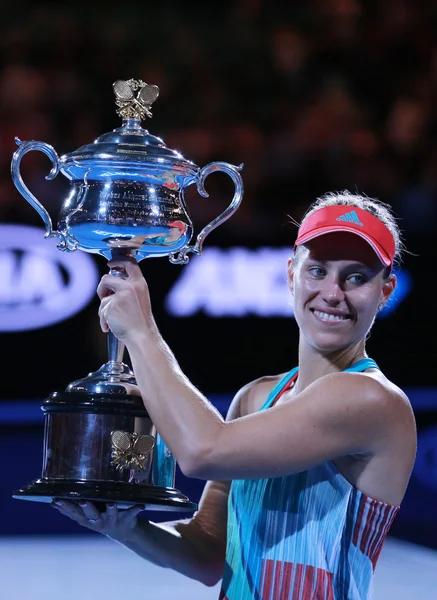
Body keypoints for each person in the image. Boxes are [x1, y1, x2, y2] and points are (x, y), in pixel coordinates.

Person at [54, 191, 417, 600]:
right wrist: (126, 527)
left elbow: (201, 451)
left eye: (356, 277)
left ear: (386, 291)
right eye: (317, 271)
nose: (333, 293)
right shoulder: (256, 397)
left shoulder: (371, 400)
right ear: (291, 273)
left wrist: (140, 331)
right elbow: (210, 553)